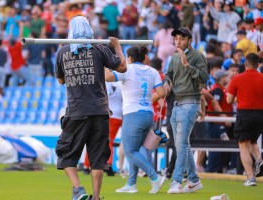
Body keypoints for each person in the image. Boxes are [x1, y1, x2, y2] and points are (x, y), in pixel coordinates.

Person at [54, 16, 126, 200]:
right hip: (100, 111)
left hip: (77, 111)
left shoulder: (62, 52)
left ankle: (78, 190)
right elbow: (123, 67)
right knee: (98, 158)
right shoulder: (100, 48)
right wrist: (117, 46)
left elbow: (61, 80)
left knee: (65, 153)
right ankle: (96, 197)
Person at [105, 45, 166, 194]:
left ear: (130, 58)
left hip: (133, 114)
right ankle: (131, 183)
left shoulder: (128, 69)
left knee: (130, 150)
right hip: (148, 114)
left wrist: (104, 62)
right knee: (136, 150)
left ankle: (154, 176)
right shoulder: (152, 72)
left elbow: (107, 77)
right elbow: (161, 93)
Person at [163, 27, 208, 194]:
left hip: (191, 102)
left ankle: (176, 181)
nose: (178, 42)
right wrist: (167, 82)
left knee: (181, 144)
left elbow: (204, 78)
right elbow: (169, 74)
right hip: (176, 103)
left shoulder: (198, 56)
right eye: (176, 39)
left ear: (190, 40)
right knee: (182, 144)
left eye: (182, 39)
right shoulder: (174, 57)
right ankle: (195, 180)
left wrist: (187, 65)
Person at [226, 53, 263, 186]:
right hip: (261, 116)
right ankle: (259, 160)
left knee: (243, 145)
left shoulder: (237, 78)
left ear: (245, 64)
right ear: (258, 65)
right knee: (252, 142)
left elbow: (229, 99)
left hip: (245, 114)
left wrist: (237, 98)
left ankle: (250, 177)